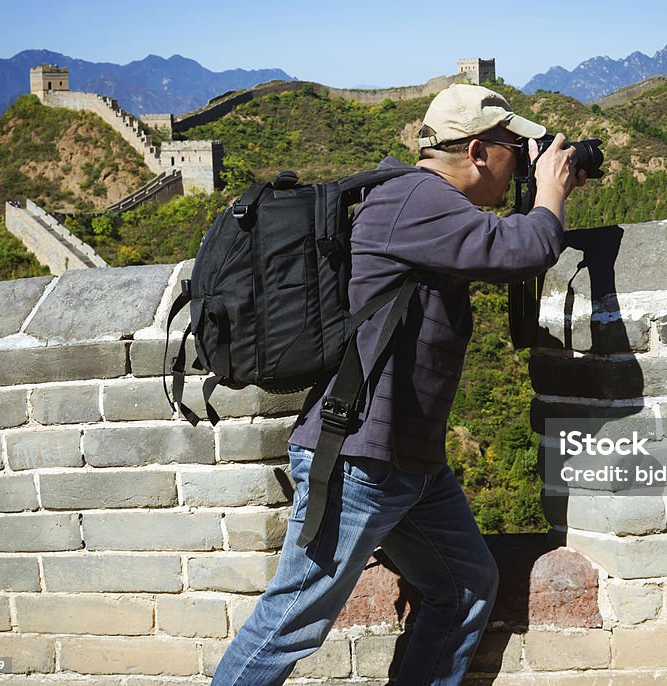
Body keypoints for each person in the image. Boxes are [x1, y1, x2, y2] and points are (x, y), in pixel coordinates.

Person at [212, 83, 586, 686]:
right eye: (517, 150)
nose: (523, 161)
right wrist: (549, 194)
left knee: (465, 584)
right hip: (360, 457)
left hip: (407, 462)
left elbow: (494, 253)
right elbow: (521, 250)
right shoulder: (417, 199)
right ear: (479, 152)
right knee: (292, 620)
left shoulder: (420, 203)